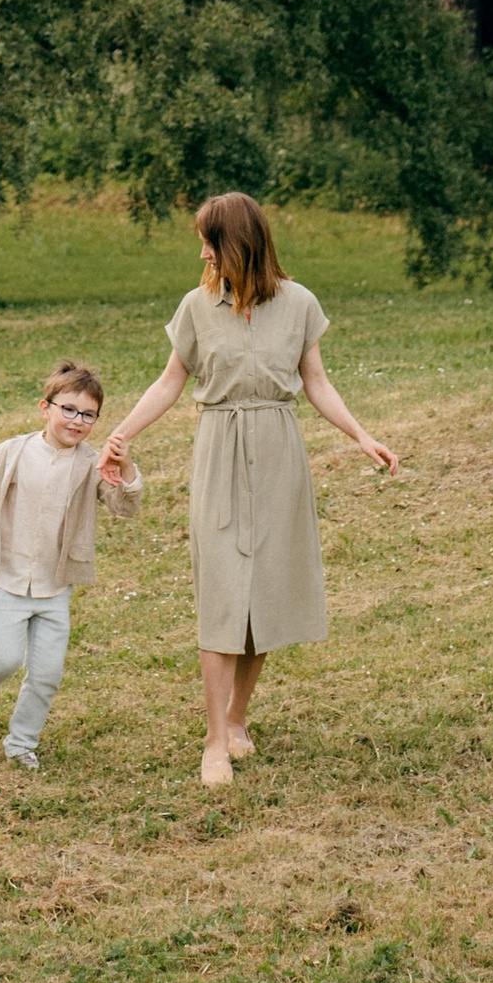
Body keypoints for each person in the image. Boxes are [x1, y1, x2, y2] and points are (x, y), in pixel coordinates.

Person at [99, 192, 396, 788]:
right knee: (223, 591)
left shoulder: (299, 303)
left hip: (280, 450)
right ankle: (213, 741)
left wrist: (362, 436)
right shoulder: (196, 306)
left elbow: (316, 381)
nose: (203, 252)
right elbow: (169, 382)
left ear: (240, 243)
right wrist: (121, 434)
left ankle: (237, 719)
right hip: (221, 448)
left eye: (211, 240)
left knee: (265, 591)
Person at [0, 362, 142, 772]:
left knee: (46, 674)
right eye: (68, 410)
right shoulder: (15, 451)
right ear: (45, 407)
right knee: (1, 660)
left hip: (55, 586)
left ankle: (22, 743)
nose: (77, 421)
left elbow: (124, 506)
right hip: (6, 578)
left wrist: (125, 469)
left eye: (88, 415)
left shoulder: (92, 462)